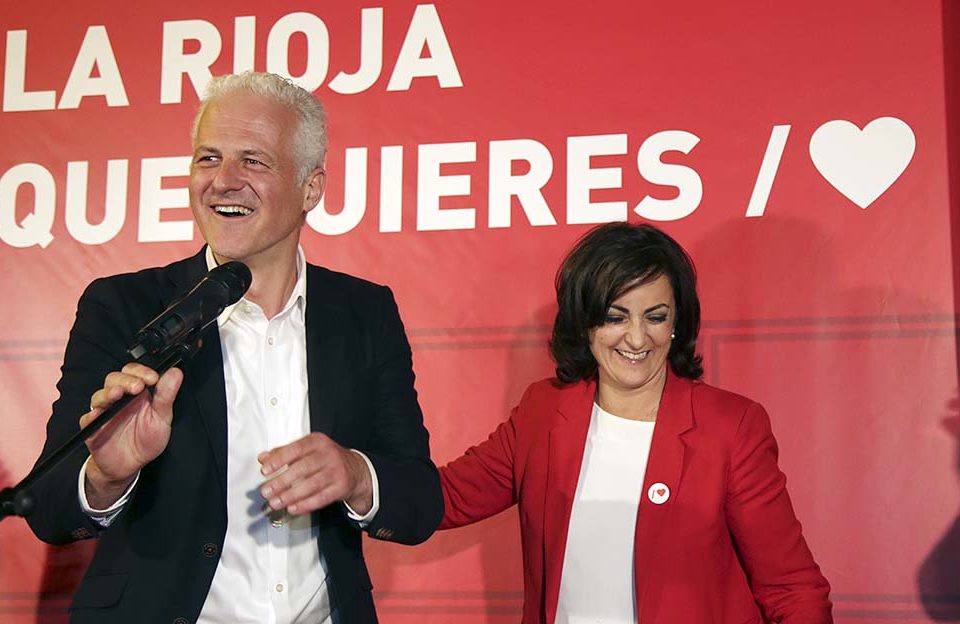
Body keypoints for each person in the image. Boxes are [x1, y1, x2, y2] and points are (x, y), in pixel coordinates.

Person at [26, 72, 443, 623]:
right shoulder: (124, 306)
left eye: (254, 160)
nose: (223, 181)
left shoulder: (364, 313)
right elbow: (48, 511)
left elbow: (418, 503)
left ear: (311, 188)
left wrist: (355, 473)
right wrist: (107, 475)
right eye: (208, 158)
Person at [438, 222, 833, 623]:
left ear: (677, 323)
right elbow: (448, 496)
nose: (637, 338)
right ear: (585, 323)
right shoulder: (543, 409)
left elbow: (792, 589)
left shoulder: (730, 427)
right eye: (616, 317)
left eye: (655, 317)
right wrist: (369, 481)